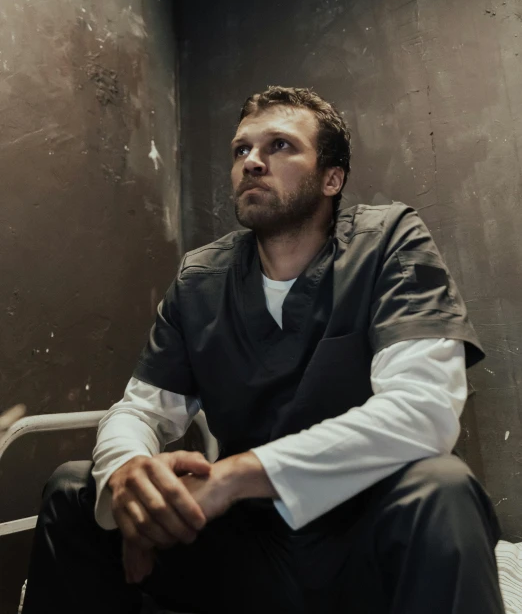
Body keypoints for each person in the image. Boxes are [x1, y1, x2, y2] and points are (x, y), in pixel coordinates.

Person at [22, 87, 505, 614]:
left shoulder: (390, 241)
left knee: (443, 488)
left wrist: (231, 477)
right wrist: (132, 480)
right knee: (77, 490)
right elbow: (139, 410)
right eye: (241, 150)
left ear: (331, 178)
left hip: (362, 536)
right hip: (249, 545)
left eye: (279, 146)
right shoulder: (199, 279)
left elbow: (425, 411)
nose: (252, 161)